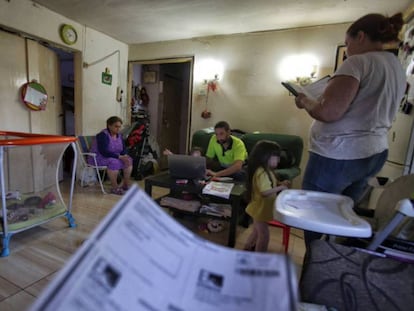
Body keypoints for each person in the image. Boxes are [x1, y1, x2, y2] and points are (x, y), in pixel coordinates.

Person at [294, 13, 406, 248]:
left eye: (348, 43)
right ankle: (335, 260)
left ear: (361, 36)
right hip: (373, 152)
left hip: (338, 155)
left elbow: (328, 112)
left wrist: (305, 101)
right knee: (343, 213)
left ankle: (315, 263)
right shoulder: (395, 65)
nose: (347, 50)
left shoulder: (358, 63)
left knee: (314, 217)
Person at [243, 140, 290, 252]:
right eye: (276, 157)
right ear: (266, 156)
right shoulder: (262, 173)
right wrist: (281, 188)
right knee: (264, 236)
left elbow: (270, 184)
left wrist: (280, 184)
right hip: (260, 209)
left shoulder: (266, 170)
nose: (278, 160)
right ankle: (259, 259)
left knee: (256, 232)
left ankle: (247, 248)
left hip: (261, 208)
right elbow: (264, 192)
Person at [89, 116, 133, 195]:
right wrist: (119, 157)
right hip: (98, 157)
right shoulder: (102, 135)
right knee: (114, 162)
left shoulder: (119, 135)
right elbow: (103, 151)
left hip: (113, 156)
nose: (118, 129)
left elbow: (123, 148)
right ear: (109, 125)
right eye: (116, 126)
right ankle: (115, 188)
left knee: (128, 160)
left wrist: (125, 155)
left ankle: (125, 185)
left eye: (119, 127)